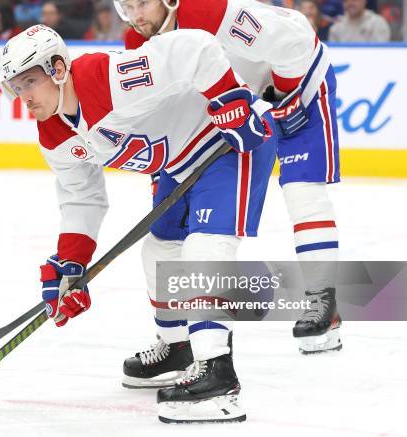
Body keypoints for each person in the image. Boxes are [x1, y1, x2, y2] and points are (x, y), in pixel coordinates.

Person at [0, 24, 277, 423]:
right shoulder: (53, 132)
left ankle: (218, 375)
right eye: (15, 86)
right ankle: (178, 347)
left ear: (58, 68)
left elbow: (195, 48)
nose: (23, 96)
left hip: (228, 141)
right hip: (180, 163)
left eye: (30, 81)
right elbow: (82, 196)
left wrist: (230, 102)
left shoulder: (106, 79)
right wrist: (70, 263)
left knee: (204, 250)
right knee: (159, 250)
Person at [115, 0, 344, 358]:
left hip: (298, 78)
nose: (136, 16)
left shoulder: (210, 12)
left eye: (143, 3)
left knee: (301, 188)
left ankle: (322, 300)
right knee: (171, 235)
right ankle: (187, 337)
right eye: (128, 7)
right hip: (244, 103)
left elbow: (291, 41)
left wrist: (283, 99)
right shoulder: (139, 44)